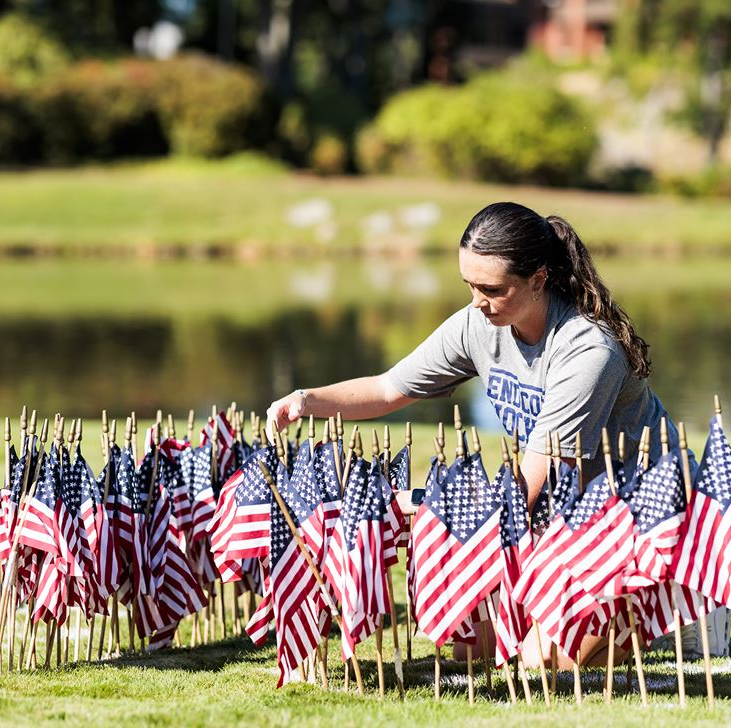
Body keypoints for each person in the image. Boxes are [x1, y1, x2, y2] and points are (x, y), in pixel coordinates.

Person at [266, 201, 698, 668]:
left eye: (492, 288)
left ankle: (671, 603)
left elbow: (539, 479)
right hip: (567, 516)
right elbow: (388, 388)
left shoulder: (588, 351)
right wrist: (308, 400)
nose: (477, 300)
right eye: (469, 285)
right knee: (473, 651)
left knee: (540, 661)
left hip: (641, 521)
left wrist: (435, 508)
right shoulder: (481, 321)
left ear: (538, 279)